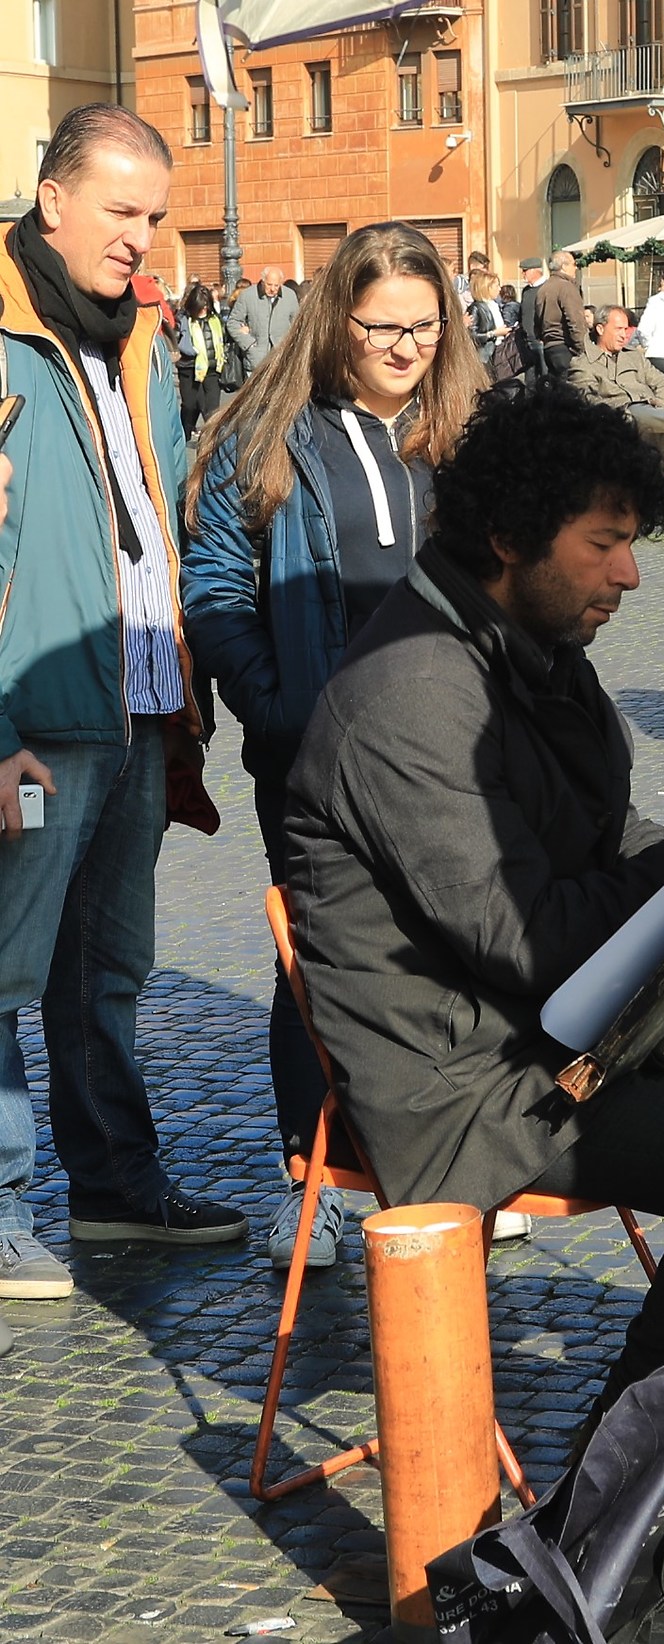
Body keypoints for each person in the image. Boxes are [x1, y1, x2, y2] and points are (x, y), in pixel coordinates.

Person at [283, 384, 664, 1423]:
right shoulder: (412, 695)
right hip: (468, 1089)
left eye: (631, 543)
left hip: (571, 1040)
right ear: (510, 537)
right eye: (604, 544)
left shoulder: (531, 647)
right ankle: (642, 1445)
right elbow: (532, 940)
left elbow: (610, 834)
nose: (630, 574)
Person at [182, 221, 488, 1268]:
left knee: (456, 957)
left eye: (424, 327)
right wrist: (277, 710)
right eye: (382, 328)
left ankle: (447, 1174)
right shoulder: (272, 434)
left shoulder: (467, 436)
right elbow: (215, 590)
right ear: (336, 321)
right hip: (315, 752)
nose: (406, 348)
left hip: (453, 751)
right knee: (317, 965)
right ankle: (313, 1184)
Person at [0, 104, 248, 1309]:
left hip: (140, 708)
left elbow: (158, 507)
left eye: (155, 216)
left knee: (107, 967)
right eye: (120, 211)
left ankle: (113, 1185)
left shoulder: (140, 335)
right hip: (36, 717)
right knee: (4, 967)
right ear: (52, 199)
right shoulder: (4, 331)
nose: (141, 237)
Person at [570, 305, 664, 506]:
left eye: (626, 329)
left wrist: (662, 404)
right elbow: (587, 401)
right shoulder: (582, 364)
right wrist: (622, 412)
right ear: (600, 329)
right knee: (638, 412)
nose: (624, 335)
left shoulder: (634, 357)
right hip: (621, 421)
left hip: (655, 416)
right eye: (618, 329)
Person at [174, 281, 234, 435]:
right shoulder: (184, 320)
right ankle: (185, 433)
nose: (203, 310)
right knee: (190, 406)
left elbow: (224, 338)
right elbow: (177, 340)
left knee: (212, 409)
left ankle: (211, 438)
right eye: (201, 307)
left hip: (213, 369)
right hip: (190, 369)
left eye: (206, 306)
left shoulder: (215, 319)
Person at [228, 263, 300, 372]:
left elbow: (297, 323)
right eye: (269, 284)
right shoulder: (247, 295)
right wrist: (248, 343)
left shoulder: (290, 296)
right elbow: (233, 322)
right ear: (262, 281)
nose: (273, 289)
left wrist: (291, 346)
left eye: (276, 285)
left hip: (282, 358)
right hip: (256, 359)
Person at [530, 250, 586, 379]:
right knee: (574, 386)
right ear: (564, 266)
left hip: (549, 348)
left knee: (558, 388)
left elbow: (536, 323)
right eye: (573, 264)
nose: (576, 268)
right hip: (566, 347)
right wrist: (582, 350)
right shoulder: (566, 287)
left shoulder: (543, 289)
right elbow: (575, 321)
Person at [466, 267, 506, 363]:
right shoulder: (476, 308)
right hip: (483, 357)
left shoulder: (494, 305)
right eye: (497, 286)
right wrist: (493, 334)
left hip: (497, 353)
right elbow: (472, 336)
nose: (500, 289)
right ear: (487, 287)